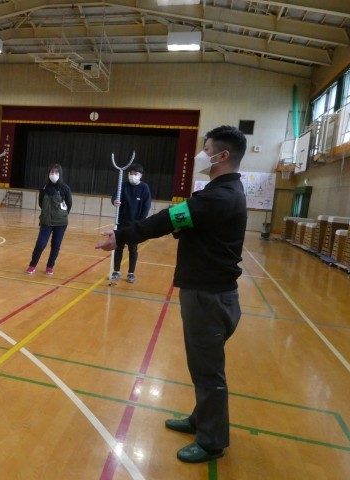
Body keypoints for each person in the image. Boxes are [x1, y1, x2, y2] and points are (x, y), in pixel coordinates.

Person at [96, 125, 247, 463]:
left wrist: (122, 236)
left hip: (209, 297)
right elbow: (185, 223)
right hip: (207, 293)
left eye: (207, 149)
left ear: (223, 156)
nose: (201, 155)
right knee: (202, 365)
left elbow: (167, 219)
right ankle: (201, 419)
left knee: (208, 371)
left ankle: (211, 441)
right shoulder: (220, 192)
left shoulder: (220, 196)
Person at [25, 163, 73, 275]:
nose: (54, 174)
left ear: (60, 174)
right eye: (52, 172)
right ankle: (32, 265)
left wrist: (62, 215)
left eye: (56, 172)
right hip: (46, 221)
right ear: (48, 173)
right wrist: (47, 213)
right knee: (40, 244)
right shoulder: (44, 188)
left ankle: (50, 266)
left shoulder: (65, 188)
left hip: (61, 223)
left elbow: (69, 204)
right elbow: (41, 203)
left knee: (56, 245)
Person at [110, 162, 152, 283]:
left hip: (135, 224)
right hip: (121, 222)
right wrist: (115, 201)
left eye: (136, 174)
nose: (133, 176)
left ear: (140, 175)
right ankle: (116, 271)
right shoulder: (122, 185)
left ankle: (131, 273)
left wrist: (140, 223)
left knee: (132, 248)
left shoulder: (144, 188)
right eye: (131, 173)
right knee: (118, 247)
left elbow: (146, 206)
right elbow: (114, 196)